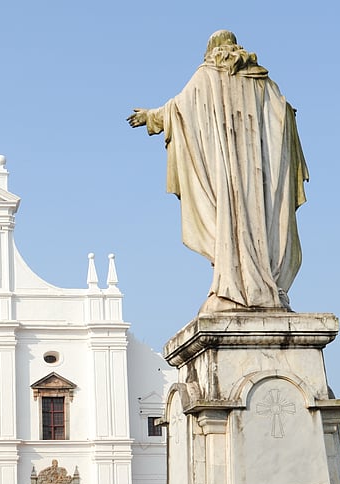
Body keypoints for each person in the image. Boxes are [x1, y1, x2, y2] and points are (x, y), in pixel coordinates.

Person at [129, 30, 309, 313]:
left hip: (226, 173)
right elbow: (284, 113)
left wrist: (150, 116)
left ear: (211, 50)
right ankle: (267, 285)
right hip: (261, 176)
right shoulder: (265, 84)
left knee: (228, 218)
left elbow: (179, 108)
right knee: (263, 223)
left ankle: (232, 287)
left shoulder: (206, 75)